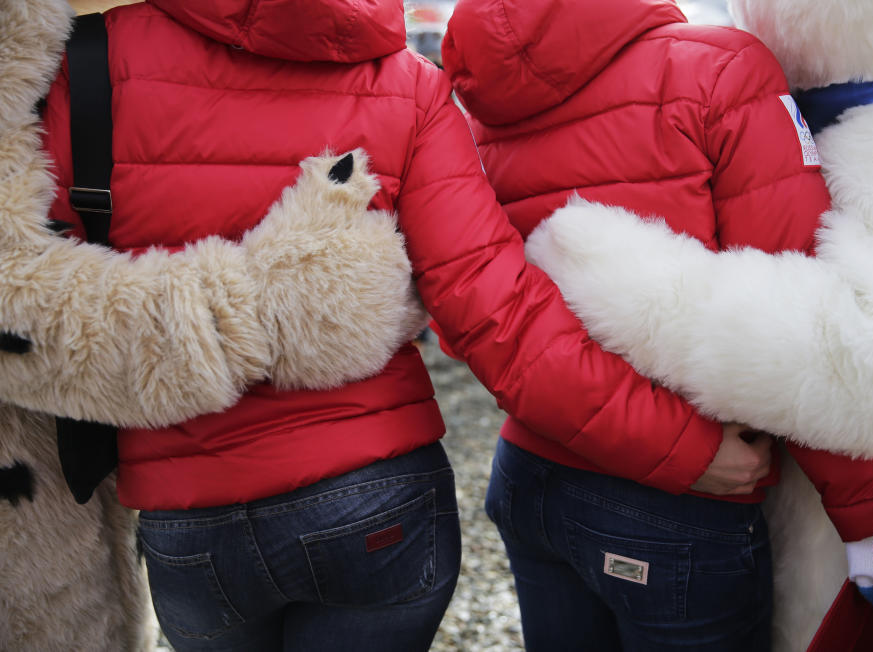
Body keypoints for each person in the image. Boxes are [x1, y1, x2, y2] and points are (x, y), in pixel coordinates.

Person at [0, 0, 783, 649]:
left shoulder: (86, 60)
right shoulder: (405, 82)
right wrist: (682, 449)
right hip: (374, 498)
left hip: (186, 511)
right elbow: (495, 312)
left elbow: (29, 285)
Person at [442, 0, 873, 649]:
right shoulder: (720, 68)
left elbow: (479, 320)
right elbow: (799, 322)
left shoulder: (486, 113)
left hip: (530, 470)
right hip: (672, 504)